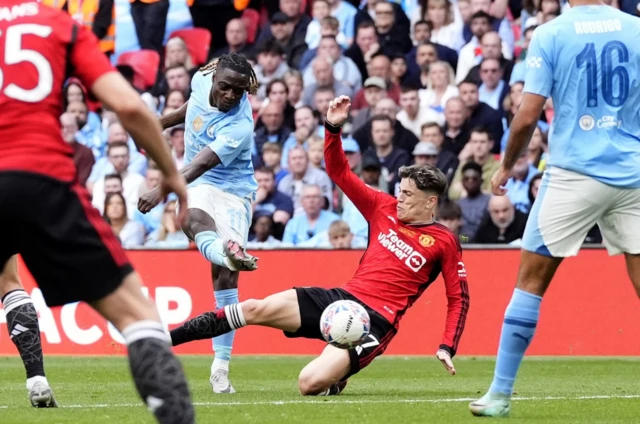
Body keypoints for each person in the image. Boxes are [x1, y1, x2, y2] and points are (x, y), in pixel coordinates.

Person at [167, 95, 470, 396]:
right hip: (342, 299)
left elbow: (459, 298)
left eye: (408, 195)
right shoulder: (383, 206)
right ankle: (164, 341)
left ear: (430, 201)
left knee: (308, 383)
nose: (399, 199)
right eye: (400, 191)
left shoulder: (444, 241)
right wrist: (332, 129)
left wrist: (447, 345)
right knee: (253, 308)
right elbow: (339, 172)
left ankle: (335, 377)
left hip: (375, 322)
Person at [0, 1, 193, 422]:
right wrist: (170, 172)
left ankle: (36, 377)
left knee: (6, 278)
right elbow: (129, 107)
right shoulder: (58, 23)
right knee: (137, 314)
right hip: (39, 175)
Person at [469, 2, 640, 418]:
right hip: (634, 173)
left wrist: (506, 166)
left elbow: (528, 115)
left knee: (529, 284)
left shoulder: (551, 33)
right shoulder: (636, 28)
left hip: (574, 173)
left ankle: (500, 395)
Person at [138, 53, 260, 394]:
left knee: (226, 278)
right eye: (225, 87)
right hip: (201, 186)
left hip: (234, 191)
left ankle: (220, 368)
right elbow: (191, 108)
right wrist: (158, 124)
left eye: (238, 91)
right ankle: (224, 250)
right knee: (190, 217)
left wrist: (160, 190)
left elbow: (201, 164)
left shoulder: (240, 124)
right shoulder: (199, 80)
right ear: (214, 78)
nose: (231, 96)